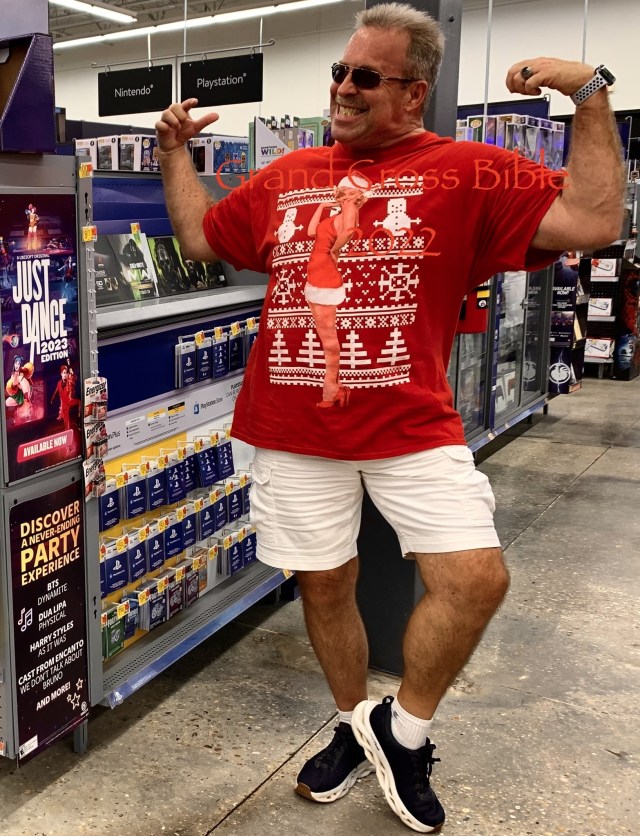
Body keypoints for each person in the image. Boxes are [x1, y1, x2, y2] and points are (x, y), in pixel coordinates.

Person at [156, 4, 623, 831]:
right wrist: (172, 153)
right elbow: (198, 238)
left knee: (475, 581)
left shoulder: (469, 170)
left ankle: (402, 732)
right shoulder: (290, 174)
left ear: (414, 93)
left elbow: (593, 220)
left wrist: (589, 93)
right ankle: (351, 725)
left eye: (366, 76)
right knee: (325, 584)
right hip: (291, 427)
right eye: (340, 71)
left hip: (413, 424)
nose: (344, 87)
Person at [305, 177, 368, 406]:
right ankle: (336, 386)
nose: (345, 197)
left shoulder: (349, 209)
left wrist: (334, 251)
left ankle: (330, 390)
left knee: (329, 339)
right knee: (325, 337)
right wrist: (322, 206)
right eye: (343, 193)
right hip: (316, 275)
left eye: (350, 193)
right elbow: (311, 232)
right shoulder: (337, 215)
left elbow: (349, 230)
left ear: (357, 195)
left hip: (324, 276)